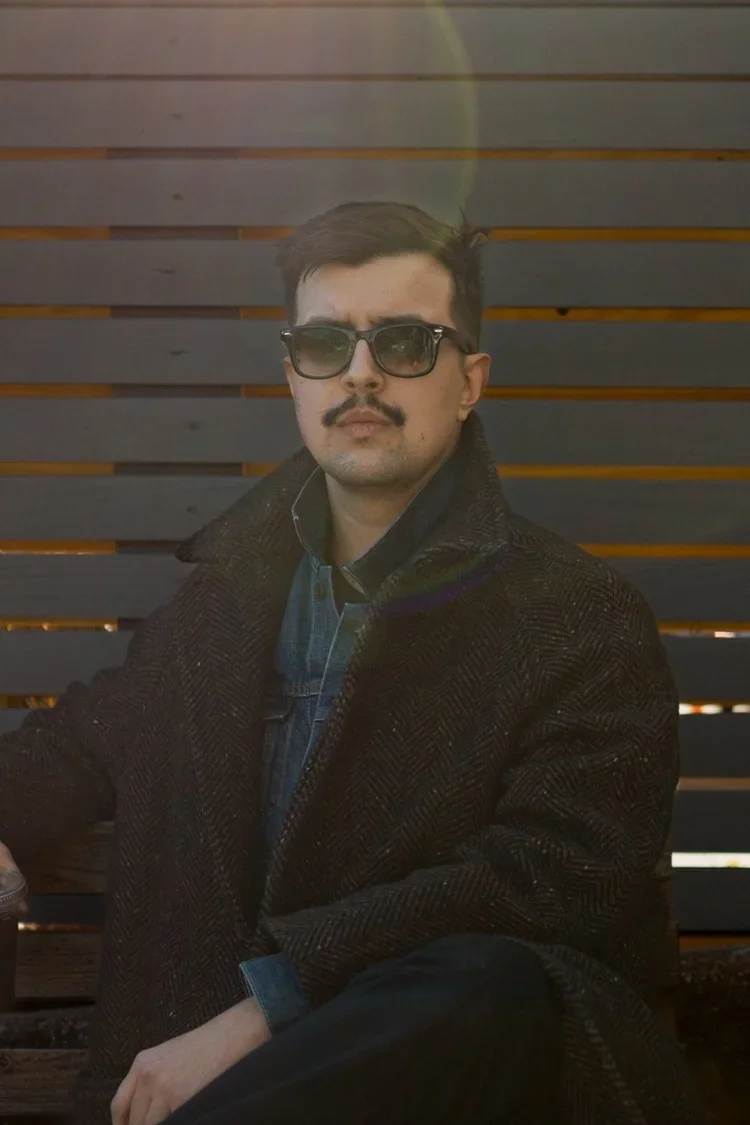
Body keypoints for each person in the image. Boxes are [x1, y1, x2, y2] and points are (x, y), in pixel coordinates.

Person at [0, 201, 706, 1125]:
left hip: (454, 1090)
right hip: (178, 1089)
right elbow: (87, 737)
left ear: (470, 381)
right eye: (326, 343)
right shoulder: (217, 612)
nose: (361, 374)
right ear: (295, 376)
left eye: (406, 341)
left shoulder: (580, 622)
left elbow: (558, 879)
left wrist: (272, 1008)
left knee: (489, 974)